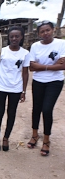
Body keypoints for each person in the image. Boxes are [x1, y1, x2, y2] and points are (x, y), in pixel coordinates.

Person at [26, 20, 65, 156]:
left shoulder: (61, 44)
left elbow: (63, 65)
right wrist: (52, 66)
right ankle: (35, 135)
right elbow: (31, 67)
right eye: (42, 31)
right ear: (38, 34)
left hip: (55, 81)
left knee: (47, 109)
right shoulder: (35, 46)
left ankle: (46, 140)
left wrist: (41, 66)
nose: (45, 33)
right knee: (36, 108)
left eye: (48, 30)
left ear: (53, 30)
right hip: (38, 81)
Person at [0, 26, 29, 152]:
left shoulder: (25, 53)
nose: (14, 38)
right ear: (8, 37)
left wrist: (23, 91)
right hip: (1, 86)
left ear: (21, 37)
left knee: (11, 113)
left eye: (17, 36)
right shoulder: (2, 51)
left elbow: (25, 73)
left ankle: (6, 138)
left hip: (16, 88)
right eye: (12, 36)